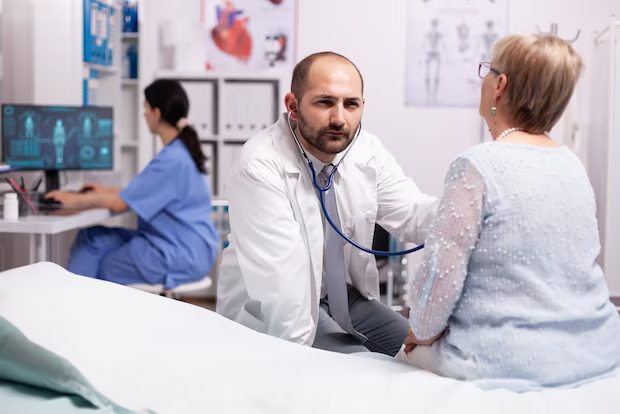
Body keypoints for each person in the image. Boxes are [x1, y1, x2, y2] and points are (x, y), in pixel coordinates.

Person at [400, 34, 620, 390]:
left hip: (501, 357)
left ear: (500, 85)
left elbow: (440, 278)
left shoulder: (476, 165)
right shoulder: (571, 164)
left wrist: (420, 335)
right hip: (595, 349)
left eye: (487, 71)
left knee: (401, 357)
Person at [216, 52, 437, 356]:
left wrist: (470, 210)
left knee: (428, 357)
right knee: (362, 369)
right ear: (293, 106)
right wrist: (301, 369)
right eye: (324, 102)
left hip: (345, 300)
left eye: (351, 104)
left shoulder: (366, 151)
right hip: (279, 308)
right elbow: (285, 292)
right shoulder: (260, 165)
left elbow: (413, 215)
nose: (339, 118)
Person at [46, 79, 219, 289]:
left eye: (146, 108)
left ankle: (77, 305)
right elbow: (139, 192)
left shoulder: (172, 160)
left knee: (106, 267)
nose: (144, 114)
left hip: (178, 252)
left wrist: (74, 198)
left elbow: (121, 203)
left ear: (157, 113)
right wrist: (104, 191)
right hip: (185, 245)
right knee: (92, 237)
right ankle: (72, 298)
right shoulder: (179, 153)